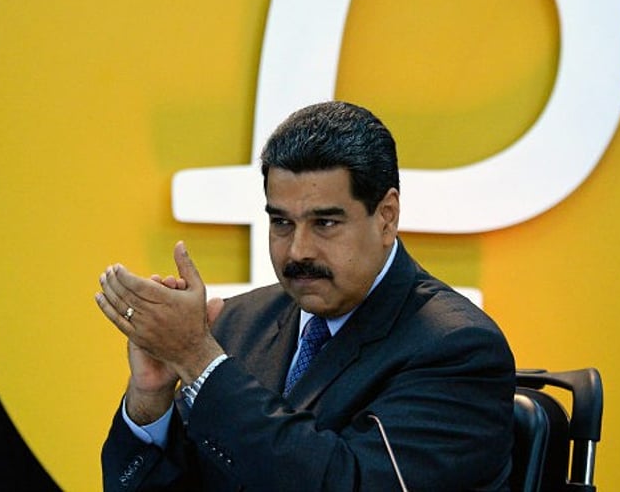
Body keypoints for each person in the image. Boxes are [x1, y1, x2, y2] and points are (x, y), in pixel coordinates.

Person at [95, 101, 515, 491]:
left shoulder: (457, 349)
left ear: (386, 217)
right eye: (281, 222)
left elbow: (346, 482)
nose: (298, 251)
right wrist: (151, 400)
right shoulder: (235, 324)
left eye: (326, 223)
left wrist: (198, 362)